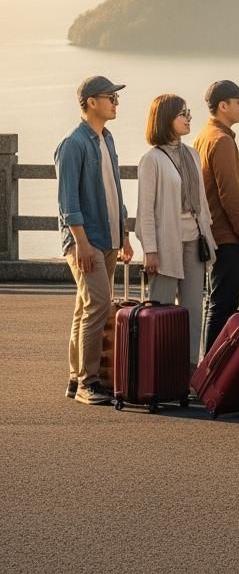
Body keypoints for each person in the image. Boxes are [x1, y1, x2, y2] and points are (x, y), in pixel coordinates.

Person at [55, 76, 133, 404]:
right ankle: (89, 382)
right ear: (90, 102)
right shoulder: (73, 144)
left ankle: (75, 380)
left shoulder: (107, 139)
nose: (116, 102)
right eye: (110, 97)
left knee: (84, 307)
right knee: (99, 305)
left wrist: (125, 234)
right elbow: (67, 202)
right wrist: (81, 243)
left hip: (109, 237)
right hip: (86, 241)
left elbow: (114, 189)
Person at [137, 94, 218, 367]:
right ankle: (158, 370)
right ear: (166, 119)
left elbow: (202, 202)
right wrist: (150, 249)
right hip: (165, 243)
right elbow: (145, 210)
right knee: (161, 310)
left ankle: (190, 371)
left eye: (188, 112)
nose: (188, 118)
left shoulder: (193, 154)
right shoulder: (152, 160)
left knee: (193, 310)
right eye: (182, 113)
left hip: (195, 240)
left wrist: (208, 234)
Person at [194, 79, 239, 352]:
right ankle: (211, 373)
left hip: (210, 233)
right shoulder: (221, 141)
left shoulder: (203, 136)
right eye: (238, 101)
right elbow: (230, 196)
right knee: (223, 305)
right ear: (223, 105)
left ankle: (208, 371)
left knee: (214, 302)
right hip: (225, 236)